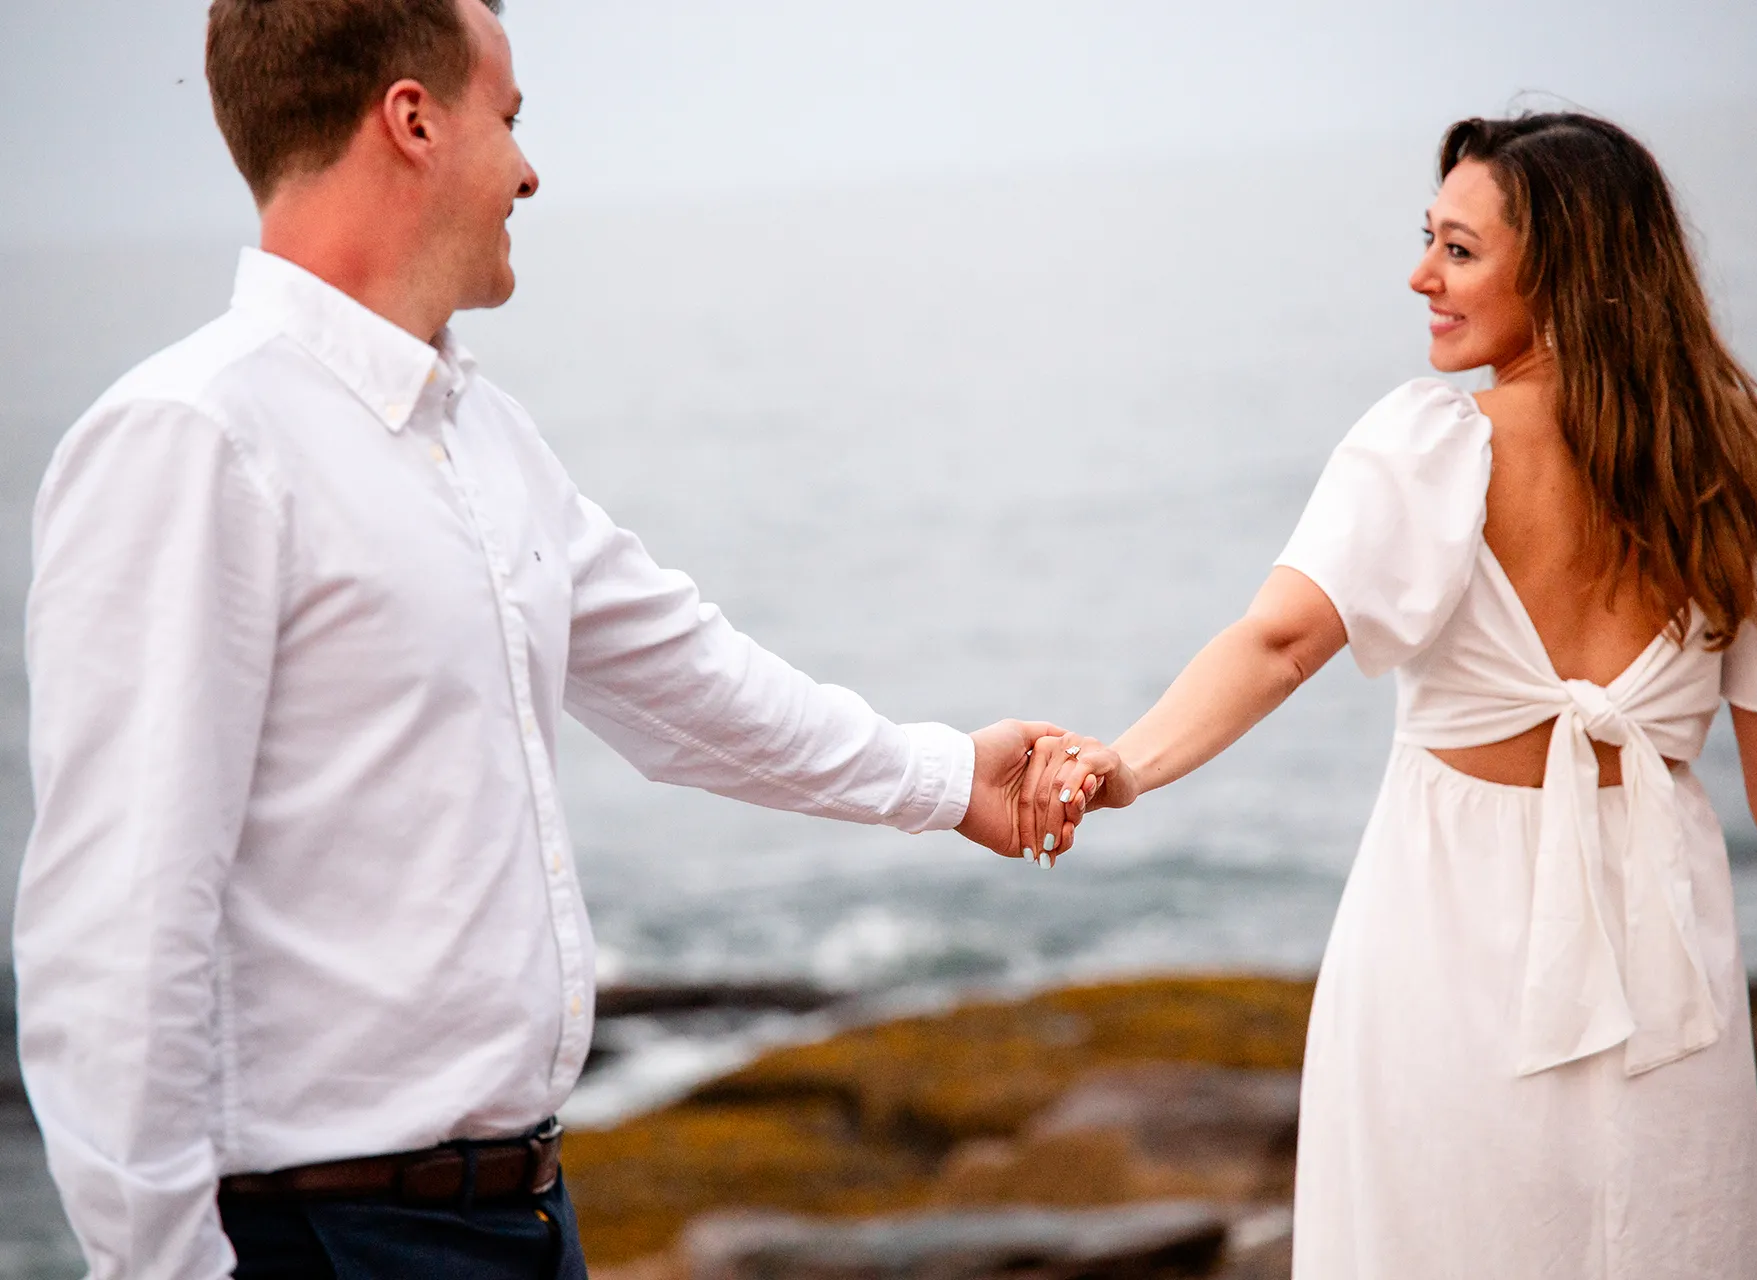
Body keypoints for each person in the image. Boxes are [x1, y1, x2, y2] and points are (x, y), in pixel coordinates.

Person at [11, 2, 1092, 1276]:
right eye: (510, 119)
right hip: (324, 1238)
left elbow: (688, 679)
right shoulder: (196, 438)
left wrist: (951, 779)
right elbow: (117, 930)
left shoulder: (482, 435)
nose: (531, 169)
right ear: (412, 119)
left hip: (525, 1217)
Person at [1033, 112, 1757, 1277]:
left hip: (1445, 943)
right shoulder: (1749, 466)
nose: (1422, 277)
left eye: (1458, 249)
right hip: (1667, 958)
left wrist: (1129, 762)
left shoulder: (1429, 442)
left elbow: (1280, 639)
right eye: (1430, 241)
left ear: (1563, 268)